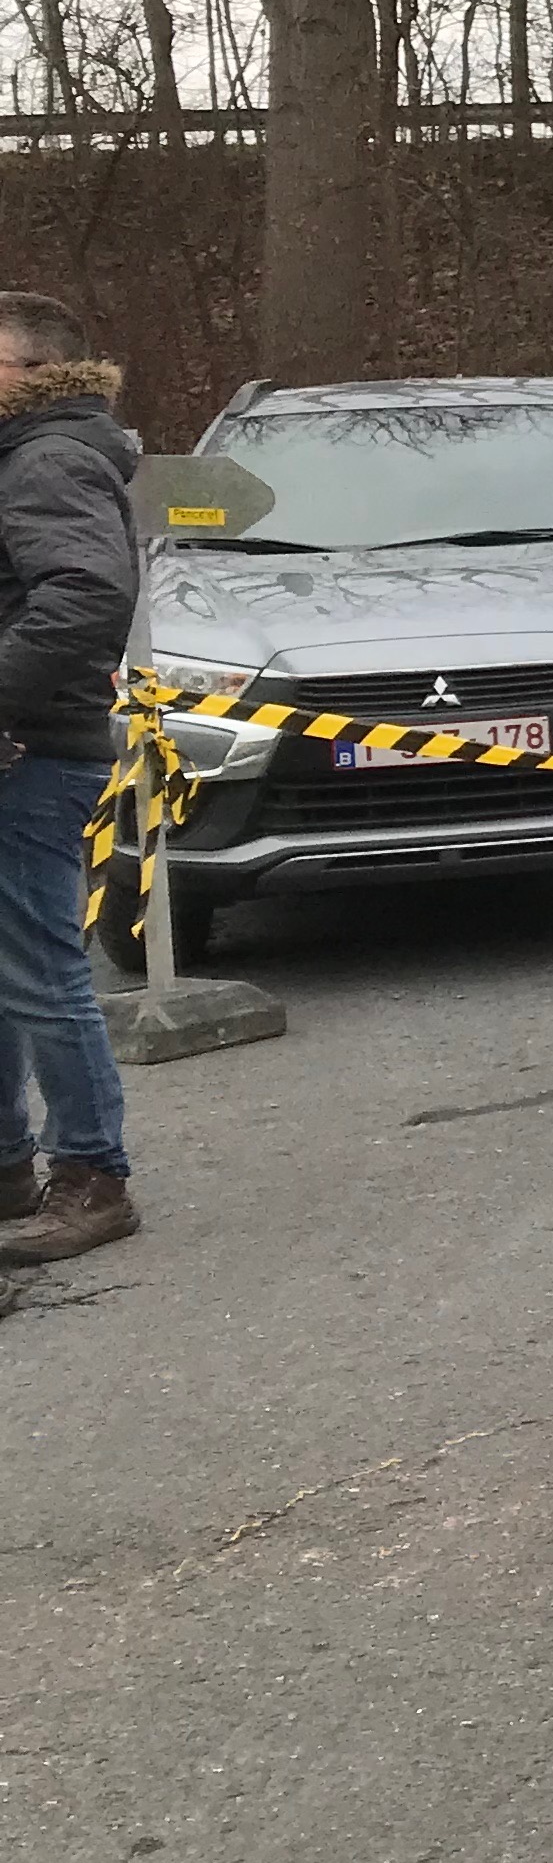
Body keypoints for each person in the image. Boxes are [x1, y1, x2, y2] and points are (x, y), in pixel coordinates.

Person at [0, 293, 140, 1269]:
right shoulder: (31, 455)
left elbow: (88, 594)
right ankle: (9, 1166)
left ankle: (93, 1177)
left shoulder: (47, 458)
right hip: (25, 742)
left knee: (45, 974)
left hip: (30, 752)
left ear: (36, 370)